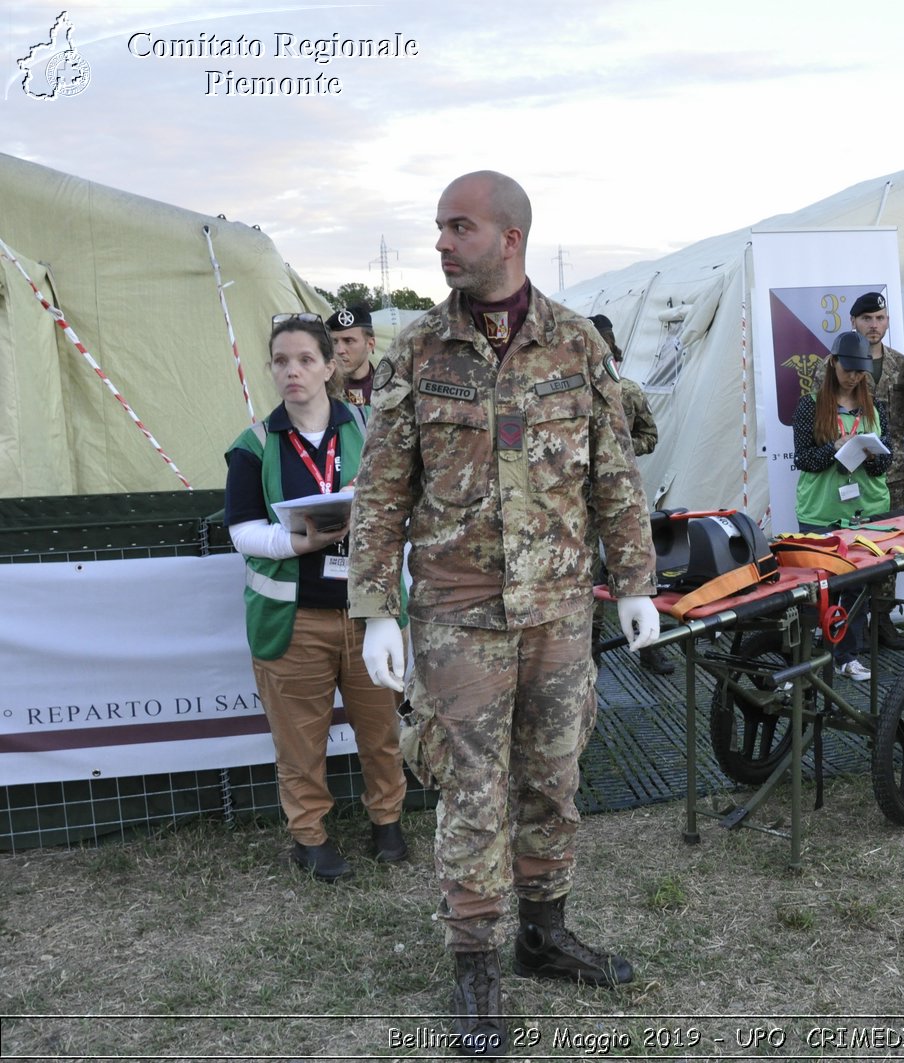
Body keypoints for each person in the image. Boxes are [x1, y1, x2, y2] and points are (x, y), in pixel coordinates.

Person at [350, 170, 659, 1056]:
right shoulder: (417, 349)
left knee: (552, 777)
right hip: (458, 612)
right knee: (472, 793)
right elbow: (381, 489)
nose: (441, 243)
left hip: (560, 609)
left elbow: (613, 474)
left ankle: (544, 931)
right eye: (439, 227)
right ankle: (477, 966)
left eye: (458, 227)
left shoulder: (574, 344)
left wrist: (634, 583)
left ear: (509, 238)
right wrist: (378, 607)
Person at [224, 314, 408, 883]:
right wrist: (293, 540)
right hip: (293, 620)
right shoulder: (253, 446)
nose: (293, 371)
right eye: (281, 361)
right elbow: (242, 531)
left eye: (306, 359)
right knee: (299, 740)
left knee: (381, 728)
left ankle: (389, 821)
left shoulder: (372, 426)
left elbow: (405, 505)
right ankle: (311, 836)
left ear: (332, 366)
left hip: (371, 614)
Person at [792, 329, 894, 681]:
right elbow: (804, 459)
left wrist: (869, 451)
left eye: (859, 371)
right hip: (823, 512)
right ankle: (815, 656)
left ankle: (848, 656)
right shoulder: (809, 405)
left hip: (865, 510)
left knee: (857, 586)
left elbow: (885, 462)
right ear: (833, 363)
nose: (853, 377)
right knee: (823, 585)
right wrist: (835, 447)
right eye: (848, 369)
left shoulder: (875, 407)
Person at [816, 292, 904, 649]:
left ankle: (882, 619)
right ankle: (846, 626)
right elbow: (820, 414)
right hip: (845, 473)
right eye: (867, 318)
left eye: (881, 318)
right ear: (854, 322)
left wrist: (889, 440)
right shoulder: (832, 364)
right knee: (848, 555)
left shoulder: (902, 364)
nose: (875, 325)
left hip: (890, 469)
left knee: (885, 549)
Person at [588, 314, 673, 677]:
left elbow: (650, 437)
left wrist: (621, 449)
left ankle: (649, 649)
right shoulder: (572, 396)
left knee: (638, 570)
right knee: (590, 579)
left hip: (624, 496)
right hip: (583, 502)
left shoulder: (631, 392)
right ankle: (590, 658)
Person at [327, 305, 379, 408]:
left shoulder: (390, 387)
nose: (339, 350)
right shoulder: (322, 389)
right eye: (334, 342)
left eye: (348, 341)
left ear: (370, 344)